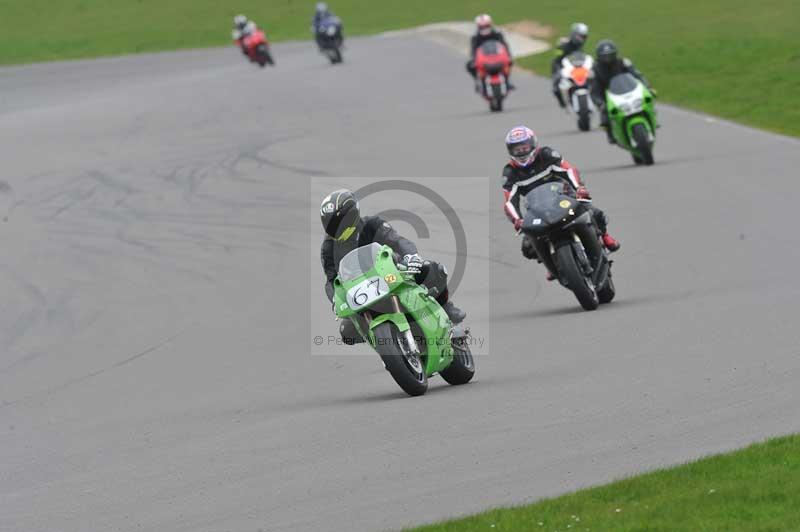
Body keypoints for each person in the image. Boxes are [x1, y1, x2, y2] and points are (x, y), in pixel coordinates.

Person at [320, 189, 466, 344]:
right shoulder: (328, 248)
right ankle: (386, 344)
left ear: (352, 215)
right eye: (331, 224)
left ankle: (446, 308)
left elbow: (397, 241)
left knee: (432, 269)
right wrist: (335, 300)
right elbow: (331, 280)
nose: (336, 228)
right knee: (346, 332)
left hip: (392, 273)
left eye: (339, 222)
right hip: (361, 293)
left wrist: (411, 256)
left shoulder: (372, 225)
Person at [500, 126, 620, 280]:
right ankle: (552, 262)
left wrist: (579, 189)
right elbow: (509, 200)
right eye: (517, 149)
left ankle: (605, 237)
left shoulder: (547, 154)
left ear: (533, 145)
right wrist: (517, 219)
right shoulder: (509, 172)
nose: (522, 152)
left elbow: (569, 170)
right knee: (528, 247)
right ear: (510, 151)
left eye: (525, 147)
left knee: (594, 212)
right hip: (537, 208)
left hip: (564, 196)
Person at [591, 39, 654, 143]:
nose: (607, 58)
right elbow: (594, 90)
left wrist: (647, 86)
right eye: (604, 56)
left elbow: (637, 75)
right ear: (599, 56)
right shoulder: (596, 69)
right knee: (605, 112)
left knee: (647, 100)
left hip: (627, 90)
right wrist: (600, 103)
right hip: (608, 96)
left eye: (610, 55)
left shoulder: (623, 62)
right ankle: (610, 133)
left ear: (615, 53)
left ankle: (652, 118)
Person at [466, 14, 515, 91]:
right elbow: (473, 50)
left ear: (490, 24)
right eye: (482, 27)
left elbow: (504, 46)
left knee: (510, 62)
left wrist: (508, 55)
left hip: (497, 58)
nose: (484, 28)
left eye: (486, 26)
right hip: (483, 60)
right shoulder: (475, 37)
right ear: (478, 27)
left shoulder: (497, 34)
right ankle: (477, 82)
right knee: (469, 65)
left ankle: (507, 81)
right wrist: (473, 60)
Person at [550, 23, 589, 108]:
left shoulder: (579, 46)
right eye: (580, 36)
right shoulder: (563, 45)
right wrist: (558, 70)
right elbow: (557, 58)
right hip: (562, 66)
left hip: (575, 67)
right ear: (574, 34)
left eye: (584, 37)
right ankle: (562, 102)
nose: (582, 39)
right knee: (556, 84)